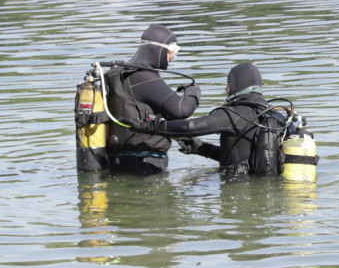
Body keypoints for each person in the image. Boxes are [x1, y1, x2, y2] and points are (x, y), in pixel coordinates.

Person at [126, 63, 296, 177]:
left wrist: (150, 126)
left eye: (229, 84)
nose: (226, 89)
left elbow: (190, 126)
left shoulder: (234, 113)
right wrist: (202, 148)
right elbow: (247, 158)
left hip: (236, 192)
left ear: (235, 86)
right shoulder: (276, 116)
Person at [104, 24, 201, 175]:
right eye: (171, 51)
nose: (171, 58)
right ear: (159, 49)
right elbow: (182, 109)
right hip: (145, 167)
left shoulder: (122, 73)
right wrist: (193, 92)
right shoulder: (143, 77)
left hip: (118, 164)